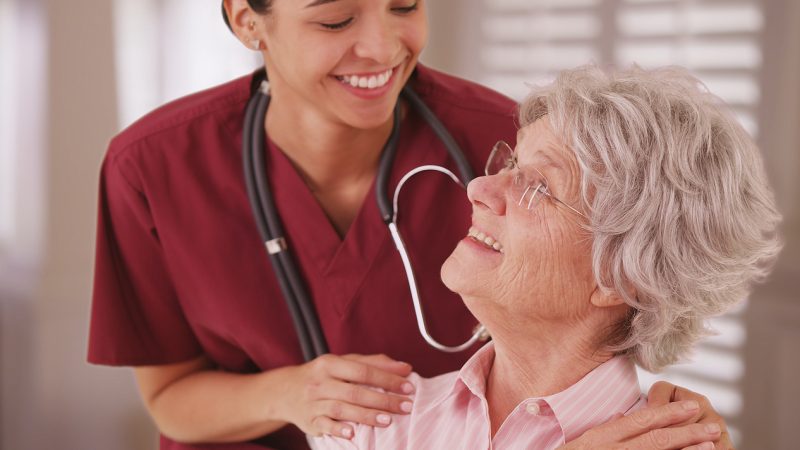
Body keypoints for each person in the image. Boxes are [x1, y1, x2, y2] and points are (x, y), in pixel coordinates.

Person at [87, 1, 733, 448]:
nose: (382, 46)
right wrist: (292, 395)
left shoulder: (497, 137)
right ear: (246, 19)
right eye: (335, 17)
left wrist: (671, 419)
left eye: (404, 4)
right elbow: (168, 392)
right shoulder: (151, 167)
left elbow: (625, 263)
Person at [310, 64, 782, 449]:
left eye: (538, 187)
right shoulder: (372, 422)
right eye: (512, 163)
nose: (478, 188)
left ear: (618, 276)